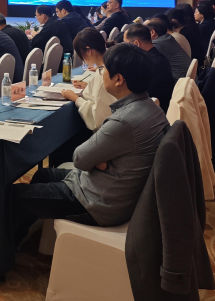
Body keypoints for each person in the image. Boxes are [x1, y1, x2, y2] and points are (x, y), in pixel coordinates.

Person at [11, 43, 167, 248]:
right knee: (43, 175)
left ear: (119, 79)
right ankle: (20, 237)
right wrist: (100, 160)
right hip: (112, 190)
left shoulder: (124, 121)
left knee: (13, 196)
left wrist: (97, 160)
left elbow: (80, 159)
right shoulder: (151, 108)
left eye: (104, 69)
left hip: (96, 202)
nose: (101, 73)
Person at [61, 28, 116, 131]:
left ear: (88, 51)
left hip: (109, 131)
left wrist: (75, 98)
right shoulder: (112, 63)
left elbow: (97, 117)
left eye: (81, 54)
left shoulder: (103, 74)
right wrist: (89, 86)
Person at [123, 24, 176, 111]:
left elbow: (139, 94)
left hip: (155, 110)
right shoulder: (156, 57)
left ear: (136, 43)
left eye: (126, 44)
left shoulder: (151, 64)